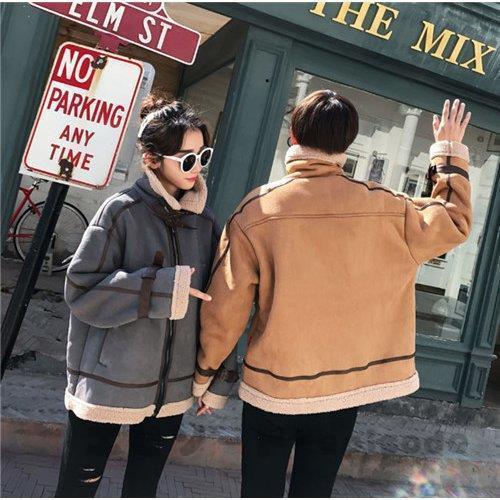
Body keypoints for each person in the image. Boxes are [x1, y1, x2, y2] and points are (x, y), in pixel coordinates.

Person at [194, 94, 472, 497]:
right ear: (347, 143)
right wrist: (448, 152)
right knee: (315, 489)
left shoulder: (258, 209)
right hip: (343, 391)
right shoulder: (388, 208)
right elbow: (453, 220)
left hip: (274, 387)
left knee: (259, 489)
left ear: (293, 136)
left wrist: (206, 377)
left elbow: (226, 307)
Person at [55, 93, 237, 497]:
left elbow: (219, 308)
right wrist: (160, 289)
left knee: (143, 489)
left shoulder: (206, 224)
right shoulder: (120, 211)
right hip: (108, 381)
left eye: (203, 156)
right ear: (153, 159)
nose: (197, 167)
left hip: (172, 390)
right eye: (186, 159)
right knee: (77, 487)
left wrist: (216, 379)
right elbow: (81, 290)